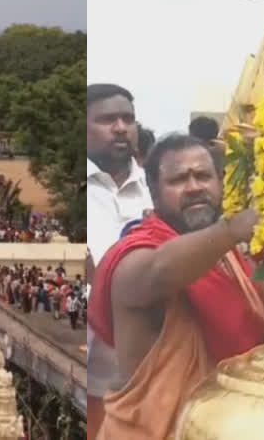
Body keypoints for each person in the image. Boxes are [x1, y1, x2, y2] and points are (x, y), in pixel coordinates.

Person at [86, 134, 264, 439]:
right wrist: (233, 228)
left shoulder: (231, 256)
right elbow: (159, 271)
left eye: (203, 176)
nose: (194, 187)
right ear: (154, 193)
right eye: (179, 179)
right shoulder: (135, 256)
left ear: (220, 183)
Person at [85, 83, 151, 439]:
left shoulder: (159, 188)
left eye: (128, 119)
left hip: (158, 366)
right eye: (108, 119)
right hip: (99, 374)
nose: (121, 127)